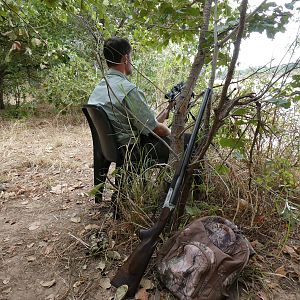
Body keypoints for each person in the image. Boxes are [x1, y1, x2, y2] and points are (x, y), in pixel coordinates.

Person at [88, 36, 174, 164]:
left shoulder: (99, 88)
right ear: (126, 58)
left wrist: (167, 109)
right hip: (133, 151)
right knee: (190, 141)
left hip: (110, 150)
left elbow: (148, 124)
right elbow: (156, 130)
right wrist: (172, 133)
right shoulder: (129, 90)